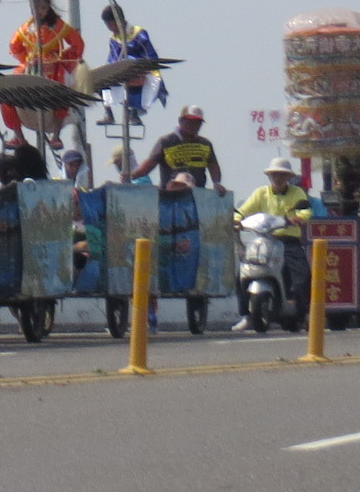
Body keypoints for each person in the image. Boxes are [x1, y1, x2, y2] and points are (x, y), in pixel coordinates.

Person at [236, 158, 314, 328]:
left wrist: (299, 217)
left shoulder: (297, 193)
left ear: (288, 177)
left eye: (282, 175)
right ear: (269, 176)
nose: (277, 178)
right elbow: (243, 211)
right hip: (264, 240)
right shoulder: (260, 193)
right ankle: (246, 315)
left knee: (303, 275)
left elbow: (306, 210)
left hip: (289, 241)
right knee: (243, 272)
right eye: (274, 174)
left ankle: (305, 313)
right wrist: (236, 220)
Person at [4, 0, 84, 145]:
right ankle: (18, 135)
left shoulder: (59, 26)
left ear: (48, 7)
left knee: (61, 87)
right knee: (7, 89)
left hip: (53, 67)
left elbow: (78, 45)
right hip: (30, 66)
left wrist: (62, 60)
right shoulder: (26, 28)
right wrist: (27, 59)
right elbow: (15, 47)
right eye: (35, 7)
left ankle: (56, 134)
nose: (38, 11)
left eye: (42, 7)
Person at [97, 4, 166, 129]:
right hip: (120, 74)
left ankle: (134, 113)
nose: (110, 28)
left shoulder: (139, 34)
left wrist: (139, 67)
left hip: (142, 73)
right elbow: (112, 59)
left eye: (110, 24)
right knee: (99, 81)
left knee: (132, 75)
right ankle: (109, 114)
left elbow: (149, 56)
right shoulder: (113, 38)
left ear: (117, 21)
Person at [128, 106, 222, 189]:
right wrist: (131, 176)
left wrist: (216, 183)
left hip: (198, 194)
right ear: (181, 121)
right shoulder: (167, 141)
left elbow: (213, 166)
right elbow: (149, 165)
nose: (194, 125)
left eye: (197, 122)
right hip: (170, 195)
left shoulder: (205, 144)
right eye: (190, 121)